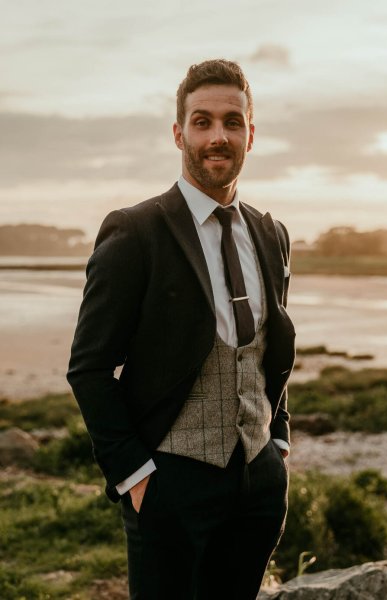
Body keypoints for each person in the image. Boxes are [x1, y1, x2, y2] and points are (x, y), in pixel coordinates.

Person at [67, 58, 296, 600]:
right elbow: (90, 367)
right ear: (179, 133)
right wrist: (136, 478)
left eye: (232, 122)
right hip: (170, 484)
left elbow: (270, 349)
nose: (218, 136)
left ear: (250, 134)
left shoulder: (271, 234)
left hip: (258, 483)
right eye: (202, 121)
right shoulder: (136, 231)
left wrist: (278, 441)